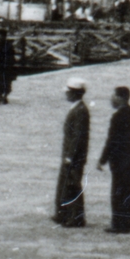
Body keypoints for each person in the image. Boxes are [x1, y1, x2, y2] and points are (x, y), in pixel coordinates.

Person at [98, 85, 130, 233]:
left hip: (120, 160)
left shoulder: (117, 117)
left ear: (120, 98)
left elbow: (112, 141)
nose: (111, 99)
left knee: (118, 192)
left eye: (114, 96)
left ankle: (120, 224)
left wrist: (102, 159)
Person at [54, 78, 90, 227]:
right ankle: (63, 213)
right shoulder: (77, 108)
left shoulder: (80, 111)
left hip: (74, 156)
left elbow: (78, 136)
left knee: (73, 185)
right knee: (64, 183)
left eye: (68, 93)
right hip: (70, 154)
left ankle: (76, 217)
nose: (66, 95)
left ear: (74, 94)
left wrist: (70, 155)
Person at [0, 22, 16, 105]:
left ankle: (1, 96)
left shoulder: (1, 45)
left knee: (1, 81)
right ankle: (3, 97)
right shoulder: (8, 44)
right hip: (6, 66)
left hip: (2, 65)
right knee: (5, 81)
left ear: (2, 36)